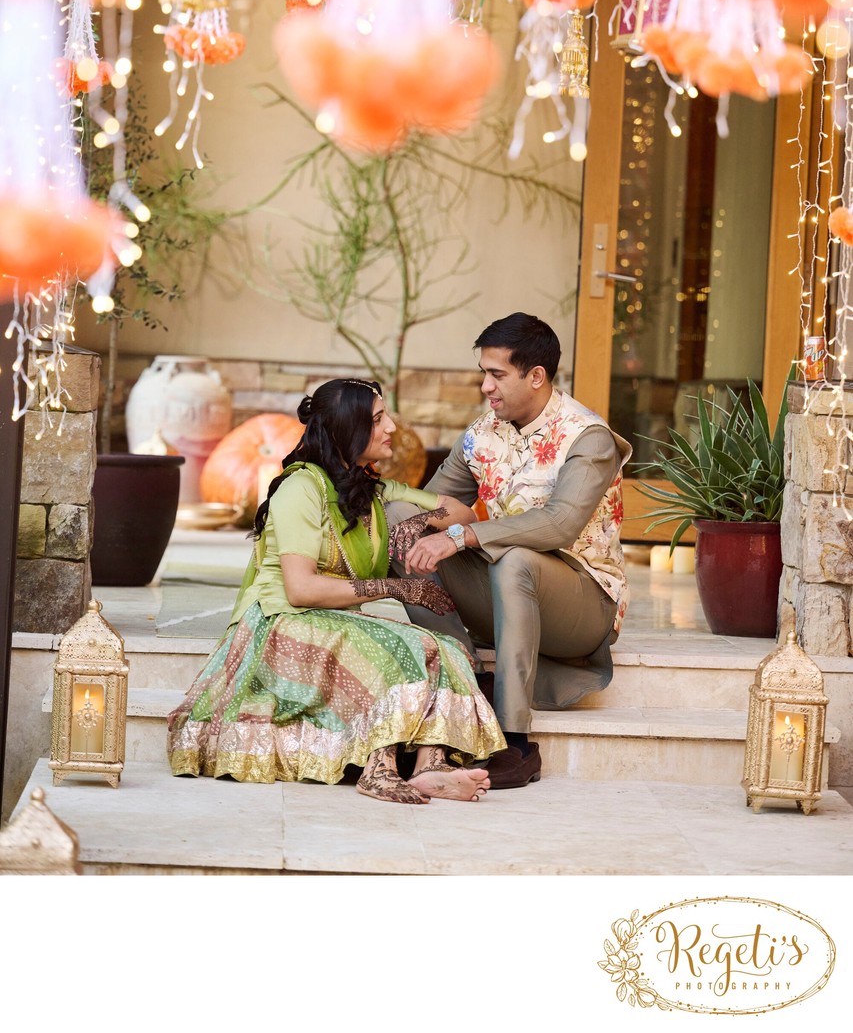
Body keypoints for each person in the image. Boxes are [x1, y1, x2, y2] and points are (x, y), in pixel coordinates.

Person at [167, 377, 505, 804]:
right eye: (379, 419)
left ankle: (430, 766)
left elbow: (462, 512)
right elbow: (301, 588)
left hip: (332, 621)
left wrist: (421, 522)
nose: (392, 428)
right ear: (349, 429)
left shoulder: (372, 488)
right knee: (389, 648)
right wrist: (400, 589)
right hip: (279, 623)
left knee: (445, 648)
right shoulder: (300, 489)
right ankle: (378, 770)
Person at [400, 313, 631, 790]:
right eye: (483, 373)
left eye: (497, 374)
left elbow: (561, 523)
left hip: (584, 605)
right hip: (507, 593)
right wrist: (384, 514)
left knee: (517, 559)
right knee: (407, 538)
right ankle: (462, 695)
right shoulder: (486, 432)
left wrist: (464, 536)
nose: (485, 386)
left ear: (536, 376)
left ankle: (515, 742)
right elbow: (437, 503)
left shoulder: (588, 437)